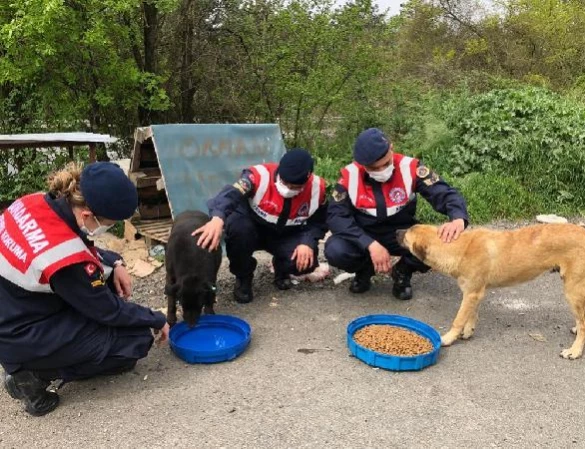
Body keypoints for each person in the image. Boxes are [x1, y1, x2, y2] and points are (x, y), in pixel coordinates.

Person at [0, 162, 169, 416]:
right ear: (87, 215)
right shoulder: (63, 260)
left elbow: (75, 242)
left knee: (107, 281)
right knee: (136, 341)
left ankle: (32, 363)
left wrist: (115, 261)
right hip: (23, 333)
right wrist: (155, 318)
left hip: (15, 309)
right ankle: (32, 375)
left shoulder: (34, 202)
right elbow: (109, 311)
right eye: (110, 223)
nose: (109, 228)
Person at [325, 128, 469, 300]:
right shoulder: (349, 176)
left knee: (436, 244)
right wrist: (369, 244)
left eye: (386, 164)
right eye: (373, 168)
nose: (381, 171)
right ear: (362, 165)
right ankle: (364, 269)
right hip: (364, 235)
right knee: (336, 250)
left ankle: (402, 272)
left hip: (401, 233)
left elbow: (444, 193)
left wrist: (458, 217)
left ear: (391, 148)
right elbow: (336, 216)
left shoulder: (411, 168)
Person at [193, 148, 328, 303]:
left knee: (305, 262)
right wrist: (217, 217)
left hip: (285, 234)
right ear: (279, 171)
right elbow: (231, 194)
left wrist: (307, 242)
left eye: (295, 187)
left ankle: (282, 269)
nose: (289, 189)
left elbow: (319, 221)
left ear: (308, 178)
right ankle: (243, 278)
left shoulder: (318, 188)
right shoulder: (257, 176)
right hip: (252, 230)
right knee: (238, 228)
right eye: (285, 183)